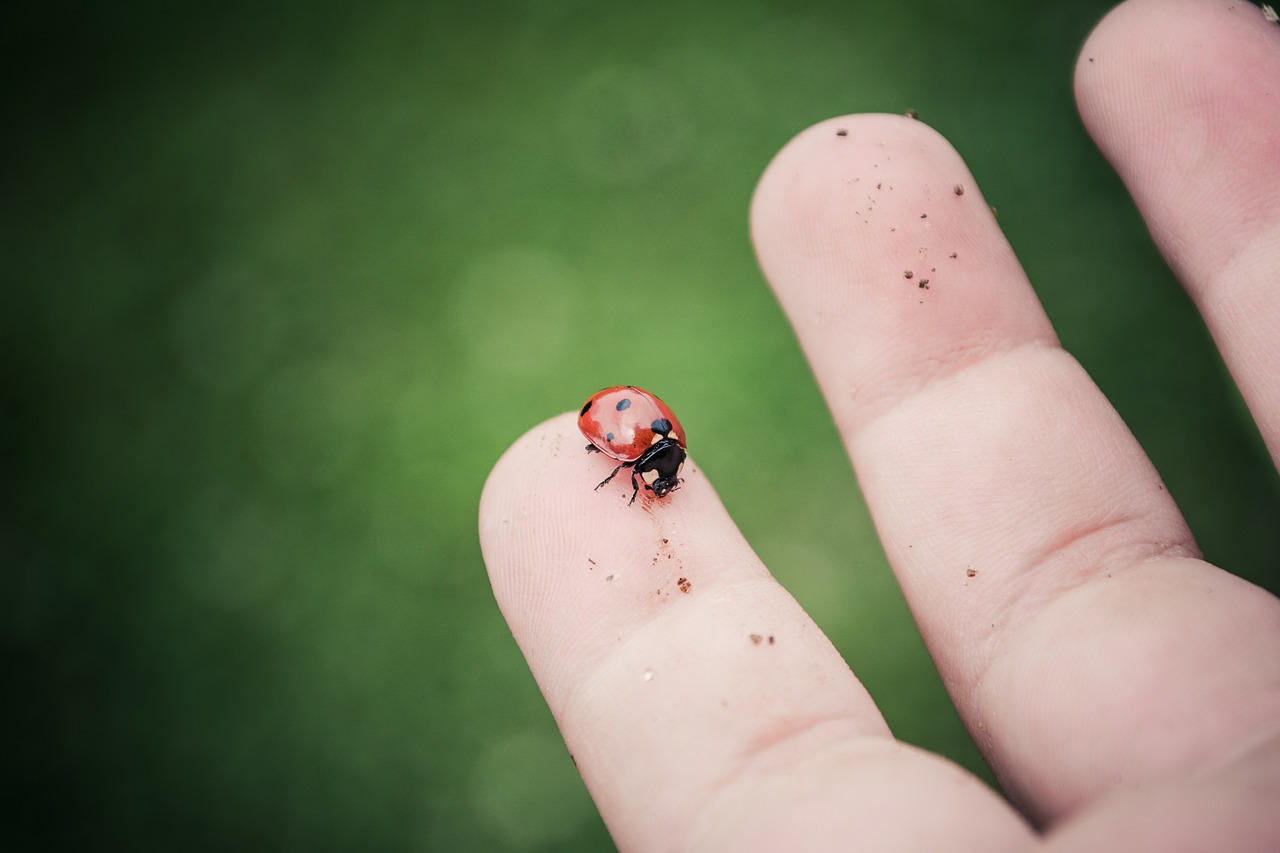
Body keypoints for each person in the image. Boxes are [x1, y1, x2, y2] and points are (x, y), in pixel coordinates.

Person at [479, 0, 1280, 848]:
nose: (658, 477)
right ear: (649, 456)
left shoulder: (642, 443)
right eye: (655, 471)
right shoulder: (634, 437)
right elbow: (612, 430)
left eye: (655, 472)